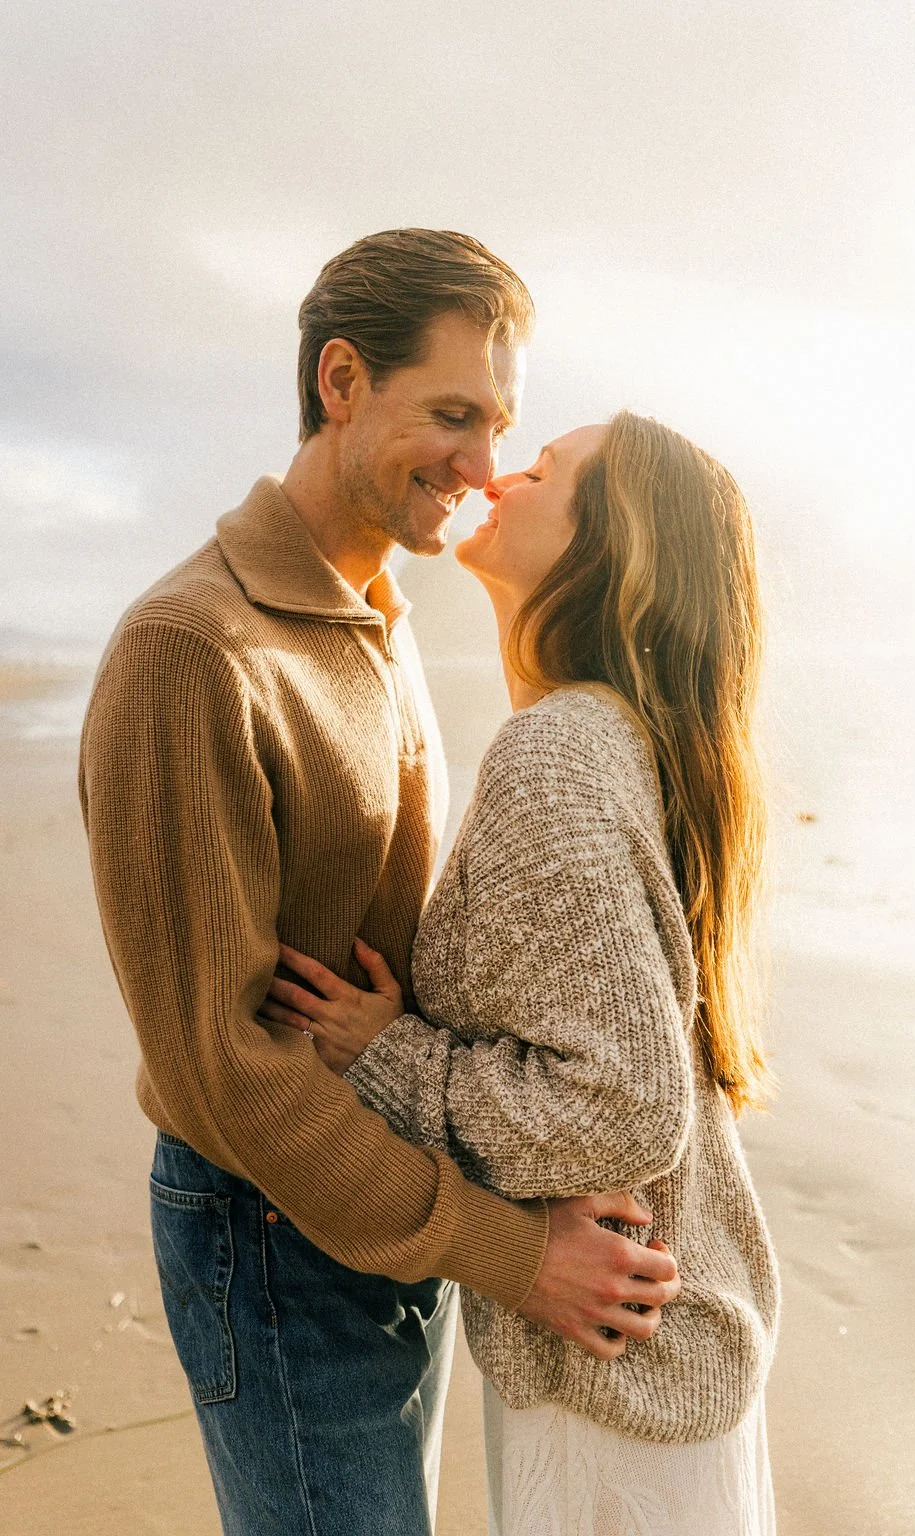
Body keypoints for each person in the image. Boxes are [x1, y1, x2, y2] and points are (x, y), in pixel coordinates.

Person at [78, 232, 681, 1536]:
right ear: (341, 380)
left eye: (501, 425)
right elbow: (222, 1072)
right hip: (272, 1230)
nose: (483, 466)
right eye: (453, 416)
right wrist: (518, 1255)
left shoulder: (378, 611)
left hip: (401, 1206)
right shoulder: (193, 649)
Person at [260, 411, 782, 1535]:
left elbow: (622, 1102)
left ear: (609, 546)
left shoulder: (555, 752)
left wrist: (390, 1054)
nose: (497, 479)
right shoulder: (627, 739)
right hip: (657, 1351)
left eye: (543, 471)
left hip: (613, 1380)